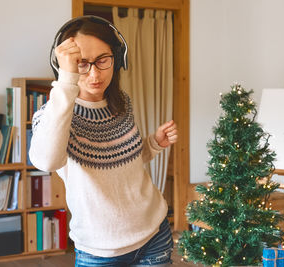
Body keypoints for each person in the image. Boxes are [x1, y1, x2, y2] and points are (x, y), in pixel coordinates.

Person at [29, 16, 178, 267]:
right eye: (81, 64)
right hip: (99, 251)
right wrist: (67, 80)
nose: (95, 73)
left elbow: (125, 164)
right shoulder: (52, 115)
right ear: (64, 66)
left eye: (102, 60)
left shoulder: (121, 102)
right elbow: (46, 161)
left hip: (154, 232)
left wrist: (152, 143)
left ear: (117, 58)